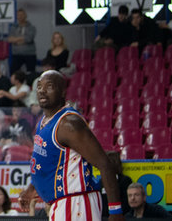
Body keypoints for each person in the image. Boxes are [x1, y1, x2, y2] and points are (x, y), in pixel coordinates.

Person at [17, 71, 121, 220]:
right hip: (61, 203)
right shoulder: (45, 120)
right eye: (39, 86)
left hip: (76, 202)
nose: (42, 90)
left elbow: (105, 164)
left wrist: (115, 211)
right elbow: (46, 163)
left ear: (62, 92)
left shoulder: (69, 123)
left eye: (49, 86)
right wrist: (32, 188)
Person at [7, 9, 37, 74]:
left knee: (31, 72)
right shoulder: (13, 27)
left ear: (25, 16)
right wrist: (22, 39)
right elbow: (10, 39)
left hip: (29, 54)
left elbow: (29, 39)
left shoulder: (31, 27)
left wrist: (15, 40)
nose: (20, 17)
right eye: (18, 15)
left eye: (22, 15)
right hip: (16, 54)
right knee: (13, 72)